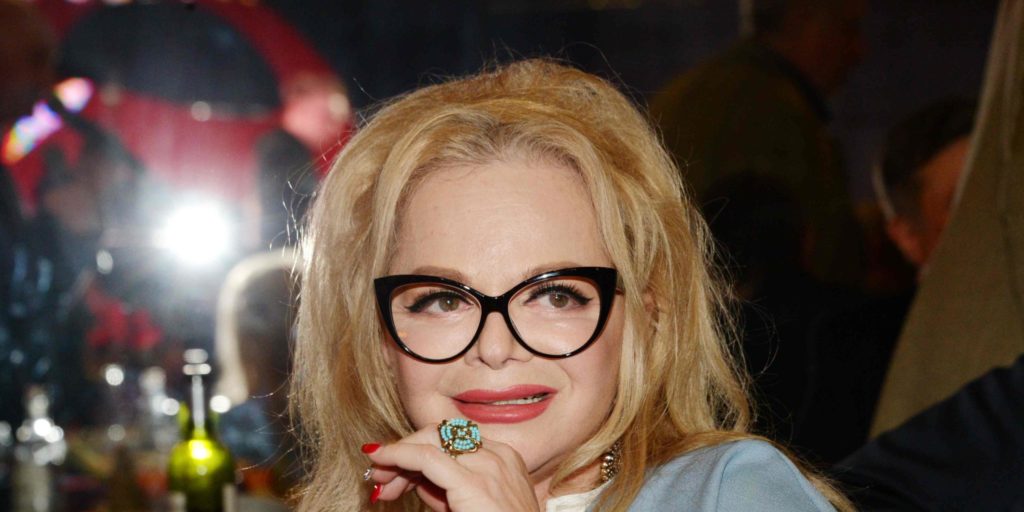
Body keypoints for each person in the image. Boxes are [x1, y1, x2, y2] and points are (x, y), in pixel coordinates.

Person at [290, 59, 851, 511]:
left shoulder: (731, 493)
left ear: (647, 315)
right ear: (377, 337)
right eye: (443, 300)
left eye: (555, 295)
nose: (494, 348)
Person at [650, 0, 867, 288]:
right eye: (848, 28)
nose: (858, 51)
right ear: (802, 20)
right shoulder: (778, 114)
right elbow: (826, 256)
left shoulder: (679, 98)